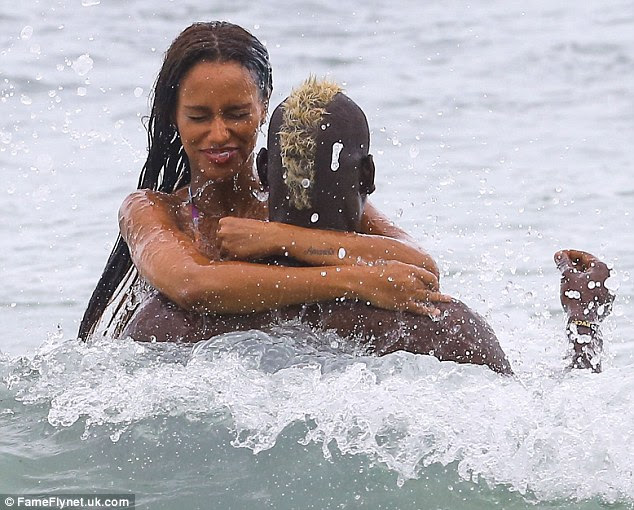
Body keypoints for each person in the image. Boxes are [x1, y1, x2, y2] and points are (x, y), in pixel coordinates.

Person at [78, 22, 445, 344]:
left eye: (237, 114)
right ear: (174, 116)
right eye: (198, 116)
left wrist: (282, 238)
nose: (219, 134)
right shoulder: (153, 211)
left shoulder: (296, 194)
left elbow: (420, 266)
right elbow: (193, 284)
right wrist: (355, 281)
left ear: (264, 106)